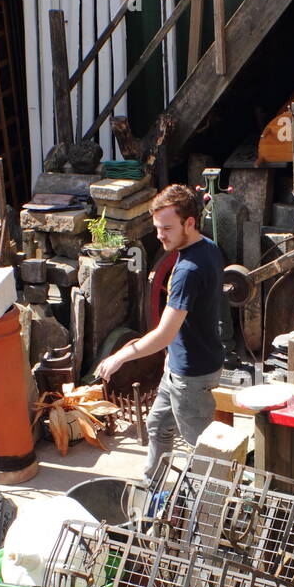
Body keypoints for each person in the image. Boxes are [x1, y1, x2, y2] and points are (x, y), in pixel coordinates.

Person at [96, 184, 225, 482]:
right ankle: (152, 486)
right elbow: (189, 321)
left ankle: (209, 509)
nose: (159, 235)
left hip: (192, 376)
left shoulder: (188, 271)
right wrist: (171, 356)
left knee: (201, 451)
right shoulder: (209, 248)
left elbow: (164, 334)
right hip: (182, 365)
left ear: (189, 223)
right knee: (158, 426)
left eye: (166, 228)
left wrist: (121, 356)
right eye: (157, 228)